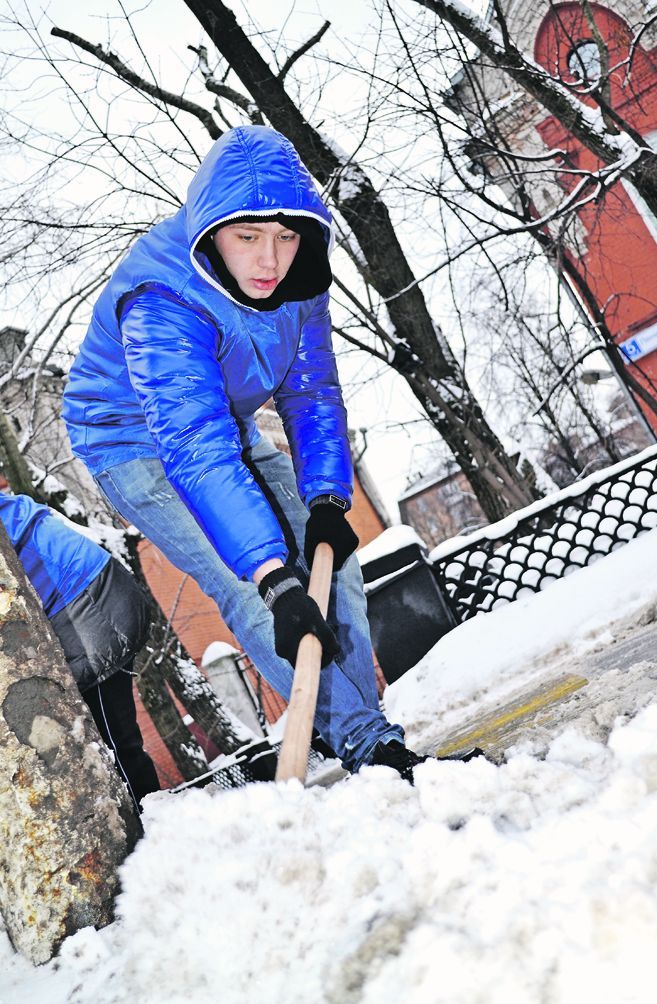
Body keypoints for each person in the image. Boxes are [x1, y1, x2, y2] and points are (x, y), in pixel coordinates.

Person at [62, 124, 428, 782]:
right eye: (247, 237)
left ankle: (358, 730)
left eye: (285, 236)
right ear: (210, 232)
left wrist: (322, 499)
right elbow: (195, 448)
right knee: (250, 586)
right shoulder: (161, 298)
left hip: (222, 418)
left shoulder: (299, 275)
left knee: (329, 552)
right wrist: (271, 573)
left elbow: (311, 391)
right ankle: (367, 745)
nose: (269, 260)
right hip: (134, 438)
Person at [0, 492, 160, 810]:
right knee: (113, 742)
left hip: (82, 600)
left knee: (113, 743)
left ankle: (154, 825)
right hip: (85, 593)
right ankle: (152, 820)